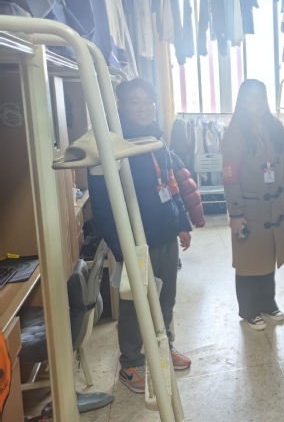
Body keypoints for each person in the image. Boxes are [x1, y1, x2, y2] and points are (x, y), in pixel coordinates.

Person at [89, 78, 193, 394]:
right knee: (134, 305)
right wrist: (122, 248)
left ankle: (164, 347)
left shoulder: (157, 139)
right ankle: (131, 363)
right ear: (120, 105)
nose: (143, 107)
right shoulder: (110, 145)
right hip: (135, 241)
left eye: (148, 101)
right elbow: (102, 205)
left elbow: (171, 183)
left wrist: (182, 222)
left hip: (165, 234)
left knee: (166, 299)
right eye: (135, 101)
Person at [221, 80, 284, 331]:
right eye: (254, 98)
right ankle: (249, 310)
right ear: (243, 101)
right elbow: (230, 177)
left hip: (273, 207)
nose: (260, 103)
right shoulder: (235, 133)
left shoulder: (275, 126)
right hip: (249, 208)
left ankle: (267, 303)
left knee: (267, 257)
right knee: (248, 261)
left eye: (263, 97)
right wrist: (236, 213)